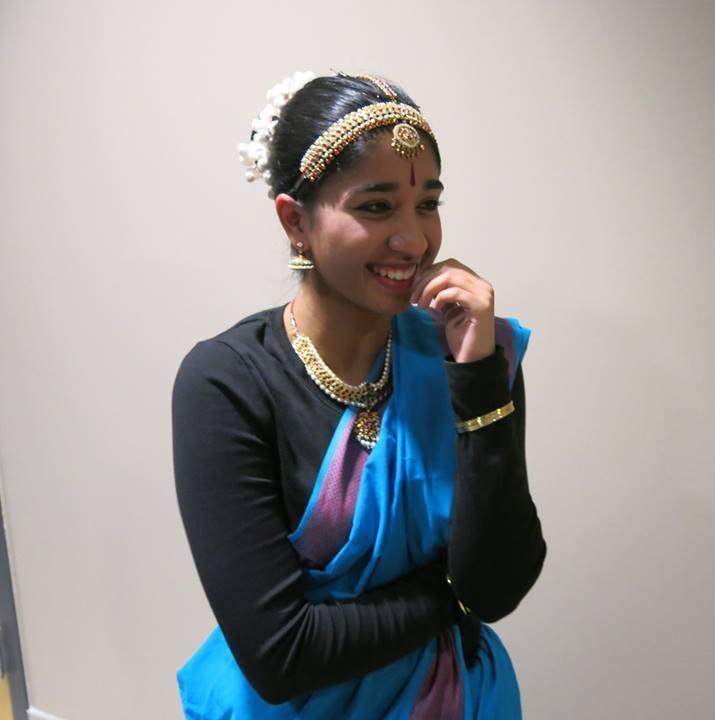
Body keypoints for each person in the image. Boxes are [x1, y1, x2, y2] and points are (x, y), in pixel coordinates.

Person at [171, 71, 547, 719]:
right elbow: (282, 653)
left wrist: (479, 379)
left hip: (458, 701)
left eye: (427, 204)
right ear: (295, 220)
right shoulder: (228, 382)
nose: (414, 239)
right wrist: (452, 596)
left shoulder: (472, 355)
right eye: (376, 207)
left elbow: (499, 588)